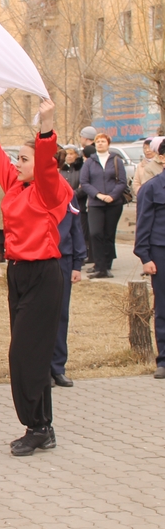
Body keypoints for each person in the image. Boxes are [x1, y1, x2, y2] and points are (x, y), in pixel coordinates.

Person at [0, 98, 73, 457]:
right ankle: (43, 427)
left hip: (44, 274)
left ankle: (36, 425)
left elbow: (45, 165)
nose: (17, 163)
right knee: (34, 354)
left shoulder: (48, 189)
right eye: (19, 159)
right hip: (17, 274)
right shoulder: (16, 184)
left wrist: (46, 126)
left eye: (24, 159)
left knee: (23, 354)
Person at [134, 137, 165, 380]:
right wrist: (144, 256)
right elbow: (143, 223)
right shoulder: (152, 188)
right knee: (163, 307)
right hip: (160, 252)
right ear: (162, 158)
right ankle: (163, 360)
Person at [80, 132, 127, 279]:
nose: (100, 143)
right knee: (95, 233)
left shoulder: (116, 160)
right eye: (98, 141)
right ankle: (99, 266)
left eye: (103, 141)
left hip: (113, 203)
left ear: (108, 144)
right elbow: (85, 182)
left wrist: (112, 196)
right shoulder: (89, 162)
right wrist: (99, 195)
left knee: (108, 234)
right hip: (95, 203)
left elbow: (122, 182)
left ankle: (106, 266)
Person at [51, 197, 85, 388]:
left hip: (63, 259)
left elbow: (75, 227)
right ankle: (41, 368)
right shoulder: (29, 189)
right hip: (38, 258)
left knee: (60, 315)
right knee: (39, 316)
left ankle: (57, 368)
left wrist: (77, 263)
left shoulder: (67, 194)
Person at [78, 126, 98, 262]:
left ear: (85, 137)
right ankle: (91, 255)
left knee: (91, 229)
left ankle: (92, 255)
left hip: (89, 196)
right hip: (89, 195)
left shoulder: (90, 153)